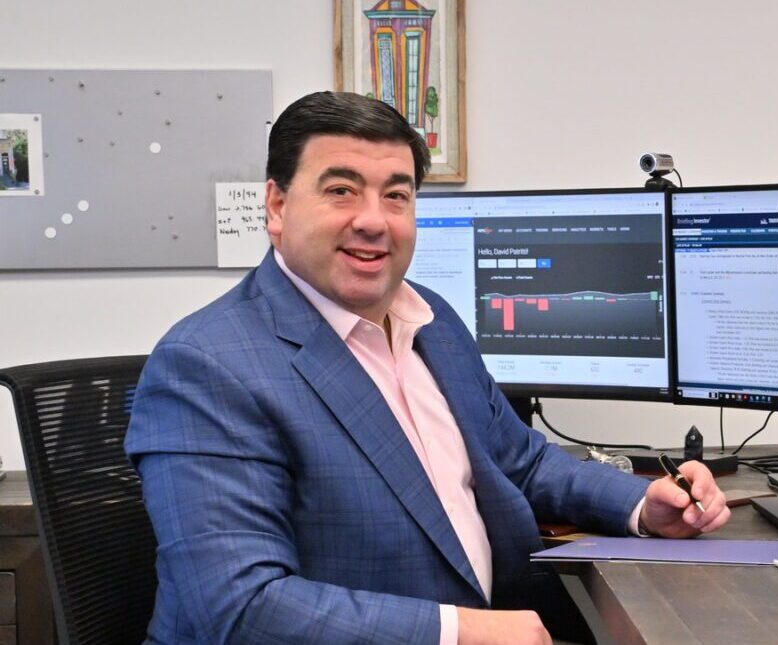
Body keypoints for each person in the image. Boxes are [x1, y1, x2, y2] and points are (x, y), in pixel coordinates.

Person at [125, 91, 731, 645]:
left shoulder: (427, 319)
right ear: (278, 206)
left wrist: (643, 503)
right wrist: (462, 631)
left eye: (397, 194)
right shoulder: (207, 366)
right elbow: (239, 609)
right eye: (341, 190)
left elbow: (518, 458)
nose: (373, 219)